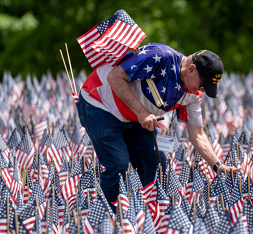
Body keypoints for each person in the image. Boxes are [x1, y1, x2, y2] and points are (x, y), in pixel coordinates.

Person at [76, 43, 238, 211]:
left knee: (155, 162)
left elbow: (197, 134)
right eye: (203, 84)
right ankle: (105, 217)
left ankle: (143, 213)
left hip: (134, 115)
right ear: (191, 69)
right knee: (118, 164)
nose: (203, 90)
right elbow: (114, 77)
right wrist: (141, 111)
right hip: (99, 103)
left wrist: (218, 166)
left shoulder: (193, 94)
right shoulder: (160, 57)